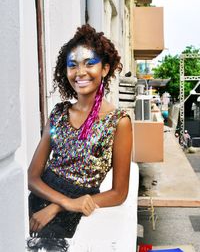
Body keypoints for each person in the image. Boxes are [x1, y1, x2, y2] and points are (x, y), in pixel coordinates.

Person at [27, 24, 132, 251]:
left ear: (104, 69)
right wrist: (63, 202)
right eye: (72, 65)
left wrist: (58, 208)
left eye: (89, 63)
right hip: (37, 204)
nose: (80, 72)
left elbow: (119, 193)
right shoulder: (58, 113)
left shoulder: (118, 122)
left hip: (77, 214)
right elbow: (32, 177)